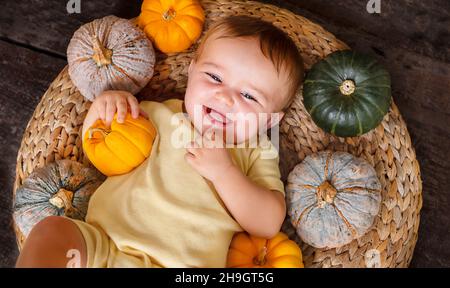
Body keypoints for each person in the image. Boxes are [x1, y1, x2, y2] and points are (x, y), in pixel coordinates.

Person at [16, 15, 304, 268]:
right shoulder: (159, 114)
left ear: (269, 121)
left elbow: (266, 223)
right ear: (191, 72)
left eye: (249, 96)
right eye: (215, 77)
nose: (225, 97)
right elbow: (100, 155)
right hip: (104, 246)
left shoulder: (255, 151)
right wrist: (103, 107)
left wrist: (224, 173)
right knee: (50, 231)